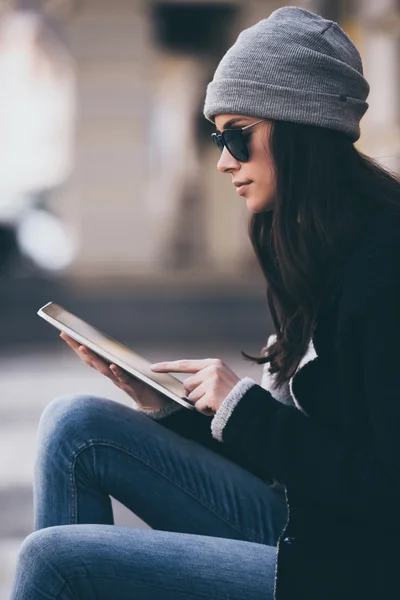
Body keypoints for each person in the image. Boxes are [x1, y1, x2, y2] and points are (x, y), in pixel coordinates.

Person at [10, 6, 400, 600]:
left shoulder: (385, 263)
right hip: (305, 524)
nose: (223, 160)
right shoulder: (311, 242)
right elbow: (297, 453)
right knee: (76, 423)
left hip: (351, 567)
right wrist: (181, 412)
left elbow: (384, 487)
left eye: (238, 134)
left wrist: (244, 409)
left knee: (54, 559)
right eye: (219, 138)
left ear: (300, 124)